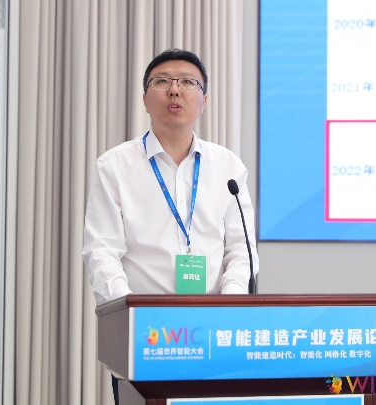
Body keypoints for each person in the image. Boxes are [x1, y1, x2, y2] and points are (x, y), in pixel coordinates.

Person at [82, 49, 259, 404]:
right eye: (162, 81)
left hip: (214, 338)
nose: (174, 90)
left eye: (188, 82)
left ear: (204, 100)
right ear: (145, 99)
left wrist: (230, 309)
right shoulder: (114, 166)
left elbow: (241, 249)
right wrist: (129, 316)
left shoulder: (228, 167)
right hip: (145, 339)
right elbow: (101, 251)